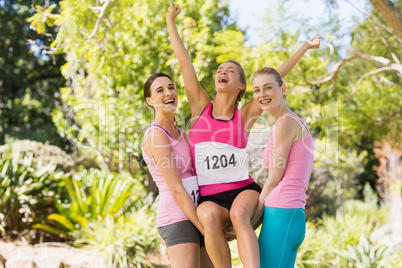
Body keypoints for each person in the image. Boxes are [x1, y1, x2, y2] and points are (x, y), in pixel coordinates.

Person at [166, 3, 319, 267]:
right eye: (219, 70)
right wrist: (171, 21)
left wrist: (303, 48)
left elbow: (275, 78)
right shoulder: (200, 107)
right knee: (208, 217)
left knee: (238, 213)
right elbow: (184, 62)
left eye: (230, 70)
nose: (222, 72)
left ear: (241, 85)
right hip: (210, 195)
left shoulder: (245, 115)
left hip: (242, 190)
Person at [141, 73, 213, 268]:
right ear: (149, 101)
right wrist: (205, 229)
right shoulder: (156, 135)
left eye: (171, 87)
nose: (168, 93)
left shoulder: (182, 134)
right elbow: (176, 188)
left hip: (198, 212)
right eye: (160, 90)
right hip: (177, 216)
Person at [250, 67, 315, 267]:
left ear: (283, 89)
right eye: (257, 90)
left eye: (268, 88)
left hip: (281, 212)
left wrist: (251, 222)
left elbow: (274, 178)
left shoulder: (285, 123)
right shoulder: (291, 122)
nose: (262, 94)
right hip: (293, 214)